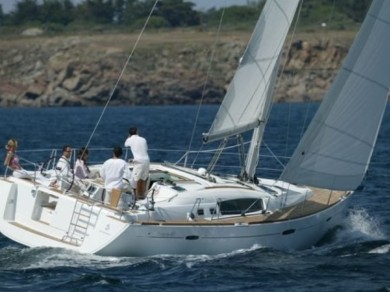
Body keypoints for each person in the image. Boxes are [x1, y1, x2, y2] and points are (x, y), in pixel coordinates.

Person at [124, 127, 150, 200]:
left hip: (138, 161)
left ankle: (136, 198)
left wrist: (128, 137)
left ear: (129, 133)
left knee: (135, 180)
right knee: (143, 179)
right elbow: (146, 149)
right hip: (147, 160)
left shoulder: (129, 139)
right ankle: (142, 196)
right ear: (137, 132)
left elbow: (125, 144)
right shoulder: (143, 139)